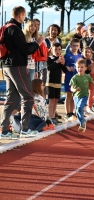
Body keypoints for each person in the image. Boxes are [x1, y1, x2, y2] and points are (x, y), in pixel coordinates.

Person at [0, 6, 44, 139]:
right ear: (20, 15)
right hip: (17, 65)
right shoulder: (15, 29)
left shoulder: (6, 27)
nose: (25, 18)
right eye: (24, 15)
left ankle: (5, 130)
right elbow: (25, 49)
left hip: (6, 66)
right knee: (28, 96)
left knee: (11, 97)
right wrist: (37, 43)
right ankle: (25, 129)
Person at [70, 59, 94, 132]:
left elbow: (93, 83)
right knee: (77, 110)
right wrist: (75, 90)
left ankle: (82, 123)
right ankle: (82, 121)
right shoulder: (75, 77)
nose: (80, 69)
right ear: (76, 68)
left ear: (85, 68)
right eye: (78, 67)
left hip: (84, 95)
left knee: (79, 107)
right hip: (76, 96)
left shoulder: (87, 76)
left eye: (82, 67)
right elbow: (71, 88)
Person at [46, 43, 68, 125]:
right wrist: (56, 62)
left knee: (56, 100)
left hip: (58, 82)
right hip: (50, 82)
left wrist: (63, 64)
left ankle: (54, 117)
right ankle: (51, 117)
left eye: (59, 49)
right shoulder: (49, 58)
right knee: (51, 100)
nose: (57, 51)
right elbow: (48, 68)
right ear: (52, 50)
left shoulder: (60, 59)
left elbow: (65, 70)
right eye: (55, 49)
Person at [64, 38, 82, 121]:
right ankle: (67, 113)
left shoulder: (80, 56)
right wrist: (66, 67)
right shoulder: (67, 55)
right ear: (71, 46)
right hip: (69, 78)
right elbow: (63, 66)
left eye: (77, 45)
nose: (75, 47)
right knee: (68, 96)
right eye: (74, 45)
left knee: (74, 96)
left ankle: (72, 112)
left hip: (77, 79)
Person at [32, 18, 48, 93]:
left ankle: (41, 102)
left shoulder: (42, 38)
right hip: (32, 65)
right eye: (35, 24)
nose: (36, 26)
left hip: (42, 65)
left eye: (38, 25)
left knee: (41, 86)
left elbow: (45, 52)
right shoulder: (29, 38)